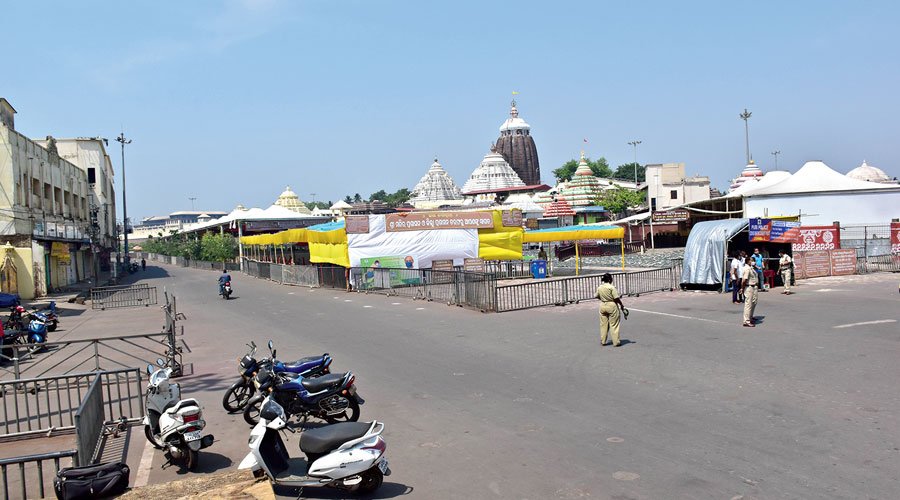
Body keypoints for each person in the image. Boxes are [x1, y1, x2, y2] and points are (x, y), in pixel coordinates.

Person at [595, 273, 625, 346]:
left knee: (603, 324)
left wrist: (603, 298)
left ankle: (603, 341)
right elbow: (616, 298)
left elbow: (596, 296)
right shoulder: (611, 287)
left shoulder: (600, 287)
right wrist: (621, 305)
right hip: (612, 305)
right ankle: (616, 342)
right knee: (614, 324)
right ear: (609, 279)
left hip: (603, 305)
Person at [741, 256, 759, 327]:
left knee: (754, 302)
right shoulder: (747, 269)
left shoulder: (751, 268)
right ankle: (746, 321)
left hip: (754, 287)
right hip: (749, 287)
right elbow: (744, 280)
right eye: (751, 260)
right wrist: (742, 288)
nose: (753, 262)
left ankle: (750, 317)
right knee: (748, 304)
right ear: (748, 261)